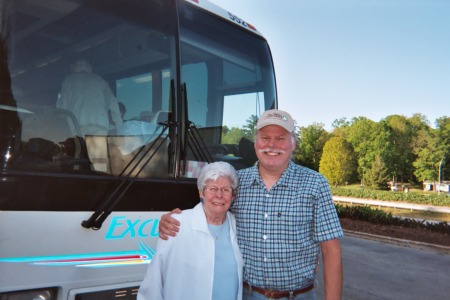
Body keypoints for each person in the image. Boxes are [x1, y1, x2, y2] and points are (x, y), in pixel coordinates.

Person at [159, 109, 344, 300]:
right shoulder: (236, 181)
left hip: (298, 296)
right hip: (247, 294)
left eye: (280, 138)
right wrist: (175, 220)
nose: (272, 144)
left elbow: (331, 250)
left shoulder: (315, 184)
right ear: (256, 144)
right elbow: (206, 215)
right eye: (265, 138)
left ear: (293, 143)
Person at [138, 161, 243, 300]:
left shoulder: (237, 225)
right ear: (202, 193)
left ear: (233, 196)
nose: (219, 195)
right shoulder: (176, 224)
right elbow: (154, 281)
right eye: (212, 188)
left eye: (225, 189)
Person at [57, 59, 123, 136]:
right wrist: (119, 126)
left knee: (80, 148)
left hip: (77, 126)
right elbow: (112, 101)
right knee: (98, 148)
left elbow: (62, 107)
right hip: (100, 125)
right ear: (89, 67)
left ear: (73, 67)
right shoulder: (99, 80)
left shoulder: (68, 80)